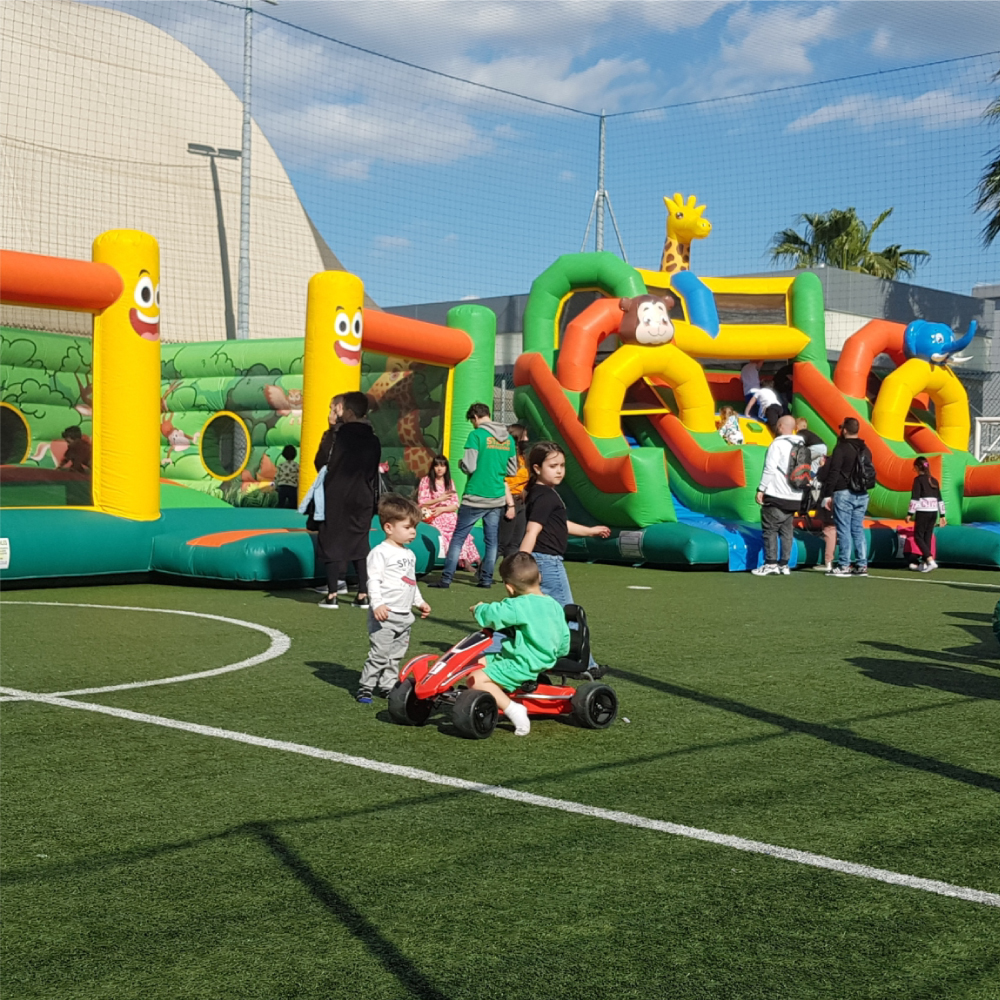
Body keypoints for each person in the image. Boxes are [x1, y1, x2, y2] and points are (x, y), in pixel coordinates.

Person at [519, 441, 610, 666]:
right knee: (569, 614)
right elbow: (532, 530)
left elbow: (560, 524)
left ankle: (535, 657)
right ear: (537, 468)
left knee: (537, 613)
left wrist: (589, 531)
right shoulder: (545, 496)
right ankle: (587, 665)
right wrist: (521, 562)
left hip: (540, 560)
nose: (559, 471)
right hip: (547, 562)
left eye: (562, 465)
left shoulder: (540, 493)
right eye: (553, 466)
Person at [465, 552, 570, 736]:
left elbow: (494, 614)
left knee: (474, 679)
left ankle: (513, 709)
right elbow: (564, 638)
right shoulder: (554, 605)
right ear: (539, 577)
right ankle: (496, 693)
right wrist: (557, 654)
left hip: (523, 662)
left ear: (509, 588)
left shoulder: (519, 605)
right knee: (473, 663)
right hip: (528, 657)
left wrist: (479, 609)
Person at [428, 403, 518, 589]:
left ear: (475, 417)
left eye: (472, 421)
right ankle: (486, 579)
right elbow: (512, 470)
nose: (473, 424)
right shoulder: (508, 439)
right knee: (492, 541)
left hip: (475, 496)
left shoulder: (476, 435)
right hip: (496, 497)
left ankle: (446, 579)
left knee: (458, 538)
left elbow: (470, 466)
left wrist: (461, 464)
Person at [356, 495, 431, 703]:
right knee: (379, 654)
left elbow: (411, 582)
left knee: (395, 656)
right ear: (389, 528)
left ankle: (387, 686)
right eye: (407, 527)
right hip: (385, 615)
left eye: (414, 527)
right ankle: (366, 686)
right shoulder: (380, 553)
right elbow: (373, 580)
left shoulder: (409, 555)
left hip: (404, 616)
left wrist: (419, 602)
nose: (413, 532)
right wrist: (377, 604)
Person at [314, 391, 381, 608]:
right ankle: (363, 593)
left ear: (349, 412)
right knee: (360, 543)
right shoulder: (373, 439)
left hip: (336, 494)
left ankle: (332, 593)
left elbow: (321, 462)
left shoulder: (338, 436)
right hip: (363, 496)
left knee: (331, 540)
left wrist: (331, 429)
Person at [752, 415, 805, 576]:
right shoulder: (801, 444)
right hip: (795, 495)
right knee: (787, 530)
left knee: (770, 530)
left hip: (777, 494)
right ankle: (784, 564)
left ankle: (770, 563)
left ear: (781, 426)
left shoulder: (777, 444)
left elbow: (769, 468)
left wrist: (761, 489)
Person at [821, 416, 873, 578]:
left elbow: (834, 472)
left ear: (844, 430)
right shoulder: (865, 449)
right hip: (862, 493)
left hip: (843, 492)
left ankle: (844, 564)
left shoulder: (841, 448)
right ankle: (862, 564)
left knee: (843, 529)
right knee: (857, 529)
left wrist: (827, 494)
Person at [416, 455, 480, 568]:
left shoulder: (449, 482)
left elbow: (455, 504)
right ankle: (462, 560)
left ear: (446, 468)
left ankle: (476, 559)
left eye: (442, 466)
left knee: (461, 531)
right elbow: (422, 502)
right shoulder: (426, 481)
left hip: (448, 513)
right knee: (450, 532)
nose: (439, 469)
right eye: (436, 466)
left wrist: (443, 509)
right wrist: (439, 499)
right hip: (434, 514)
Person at [906, 456, 946, 573]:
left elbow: (915, 497)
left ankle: (930, 559)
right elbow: (940, 499)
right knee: (927, 537)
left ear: (917, 467)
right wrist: (942, 515)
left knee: (918, 536)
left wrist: (910, 513)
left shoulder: (918, 480)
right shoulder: (934, 480)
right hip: (933, 512)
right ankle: (924, 563)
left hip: (923, 511)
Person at [498, 422, 530, 557]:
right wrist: (510, 505)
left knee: (515, 543)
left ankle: (509, 570)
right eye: (524, 436)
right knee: (502, 543)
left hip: (520, 501)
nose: (527, 439)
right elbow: (503, 480)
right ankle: (485, 569)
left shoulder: (523, 458)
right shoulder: (506, 457)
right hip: (508, 501)